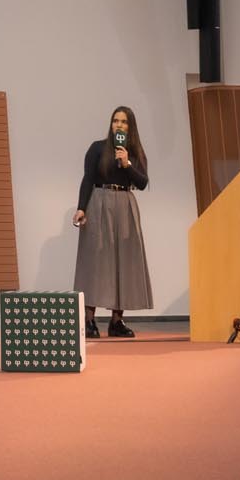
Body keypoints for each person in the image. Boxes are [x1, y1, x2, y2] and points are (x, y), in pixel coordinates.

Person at [73, 105, 153, 339]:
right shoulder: (97, 148)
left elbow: (142, 183)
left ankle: (116, 321)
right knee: (95, 262)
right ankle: (89, 320)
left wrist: (127, 164)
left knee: (123, 262)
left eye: (124, 122)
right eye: (115, 120)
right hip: (99, 202)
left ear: (131, 127)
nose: (119, 125)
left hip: (125, 205)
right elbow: (88, 179)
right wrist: (81, 207)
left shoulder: (135, 153)